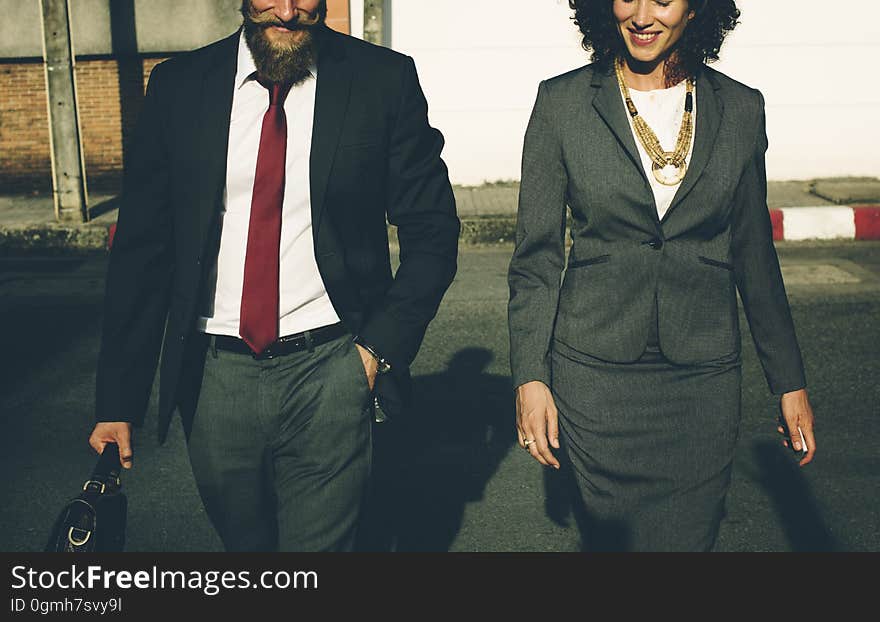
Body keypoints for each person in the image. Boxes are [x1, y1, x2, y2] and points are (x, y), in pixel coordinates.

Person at [89, 0, 459, 552]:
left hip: (331, 367)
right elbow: (144, 251)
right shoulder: (179, 86)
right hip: (214, 379)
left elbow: (432, 230)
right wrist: (117, 403)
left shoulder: (381, 80)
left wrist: (377, 350)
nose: (287, 11)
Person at [507, 0, 816, 551]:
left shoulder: (741, 108)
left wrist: (788, 381)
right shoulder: (562, 103)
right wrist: (531, 377)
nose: (643, 14)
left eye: (664, 0)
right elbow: (537, 258)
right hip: (595, 377)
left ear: (697, 10)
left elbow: (754, 254)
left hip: (701, 383)